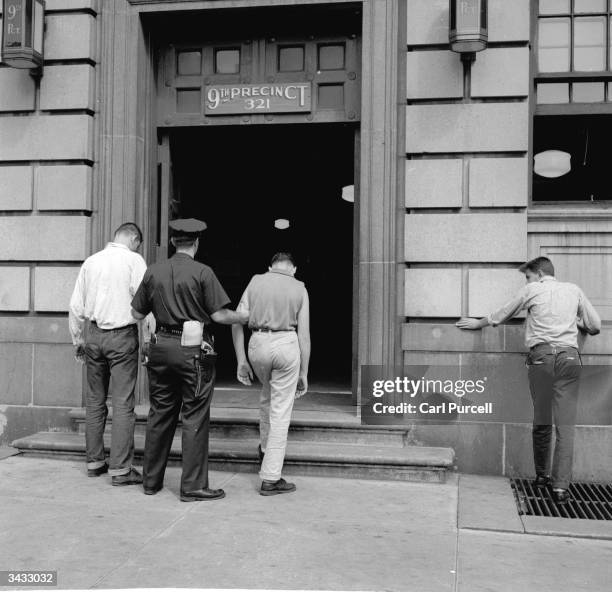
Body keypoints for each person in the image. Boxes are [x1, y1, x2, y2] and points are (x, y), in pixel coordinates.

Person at [456, 256, 600, 503]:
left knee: (542, 418)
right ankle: (561, 489)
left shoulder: (533, 290)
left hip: (542, 358)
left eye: (528, 276)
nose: (527, 281)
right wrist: (577, 323)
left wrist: (478, 323)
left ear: (540, 274)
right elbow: (595, 326)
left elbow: (503, 314)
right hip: (569, 358)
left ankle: (542, 476)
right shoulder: (574, 290)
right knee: (565, 426)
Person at [131, 218, 248, 501]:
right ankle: (193, 486)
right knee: (194, 415)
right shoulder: (203, 272)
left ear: (173, 242)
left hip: (159, 348)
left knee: (160, 413)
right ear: (196, 242)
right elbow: (220, 316)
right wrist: (243, 317)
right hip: (192, 351)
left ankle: (150, 481)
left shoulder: (153, 271)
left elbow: (136, 314)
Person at [69, 222, 147, 485]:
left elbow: (76, 305)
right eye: (139, 243)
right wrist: (147, 341)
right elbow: (144, 303)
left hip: (93, 334)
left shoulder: (91, 261)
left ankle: (94, 462)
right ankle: (121, 470)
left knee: (95, 400)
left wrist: (77, 339)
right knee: (123, 403)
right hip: (122, 336)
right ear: (134, 239)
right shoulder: (134, 260)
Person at [232, 252, 310, 496]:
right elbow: (304, 335)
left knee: (268, 395)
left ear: (270, 267)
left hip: (257, 343)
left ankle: (265, 450)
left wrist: (241, 360)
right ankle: (271, 477)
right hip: (286, 342)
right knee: (280, 412)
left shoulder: (256, 281)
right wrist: (304, 372)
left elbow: (237, 320)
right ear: (294, 269)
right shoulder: (299, 288)